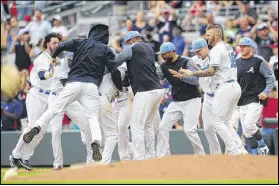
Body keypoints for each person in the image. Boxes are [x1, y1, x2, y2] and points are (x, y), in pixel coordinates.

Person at [22, 24, 116, 162]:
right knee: (92, 118)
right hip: (91, 86)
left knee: (54, 109)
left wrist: (53, 57)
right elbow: (113, 67)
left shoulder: (80, 42)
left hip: (73, 83)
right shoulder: (105, 49)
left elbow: (62, 46)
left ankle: (37, 126)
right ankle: (96, 141)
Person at [175, 25, 243, 155]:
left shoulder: (215, 52)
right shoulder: (225, 47)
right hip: (218, 91)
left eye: (208, 36)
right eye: (194, 51)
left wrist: (192, 74)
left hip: (223, 89)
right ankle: (232, 150)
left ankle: (234, 150)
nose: (196, 53)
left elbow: (211, 71)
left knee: (218, 122)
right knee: (213, 126)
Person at [9, 33, 62, 171]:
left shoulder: (58, 59)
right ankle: (15, 155)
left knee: (42, 130)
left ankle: (25, 156)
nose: (56, 45)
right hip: (37, 95)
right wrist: (51, 71)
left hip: (49, 97)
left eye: (58, 42)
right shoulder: (42, 58)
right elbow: (42, 76)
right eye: (53, 43)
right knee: (33, 126)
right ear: (47, 44)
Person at [113, 31, 165, 160]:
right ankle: (151, 155)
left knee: (137, 127)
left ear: (132, 40)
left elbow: (117, 60)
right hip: (157, 91)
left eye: (128, 42)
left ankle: (139, 157)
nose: (127, 44)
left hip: (144, 92)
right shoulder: (149, 48)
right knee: (148, 125)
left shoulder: (132, 48)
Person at [189, 38, 247, 154]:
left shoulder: (216, 55)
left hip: (220, 94)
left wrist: (200, 72)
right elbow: (191, 76)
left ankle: (238, 148)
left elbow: (214, 72)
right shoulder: (194, 60)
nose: (197, 53)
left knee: (222, 122)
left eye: (199, 50)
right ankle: (216, 154)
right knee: (207, 128)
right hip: (207, 96)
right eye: (195, 51)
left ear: (206, 47)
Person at [156, 42, 205, 157]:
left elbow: (195, 81)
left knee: (189, 130)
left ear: (172, 52)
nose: (162, 56)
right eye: (161, 54)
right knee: (163, 127)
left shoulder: (187, 61)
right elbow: (157, 79)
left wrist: (182, 77)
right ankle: (164, 156)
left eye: (165, 54)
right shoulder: (163, 66)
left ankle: (200, 155)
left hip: (192, 99)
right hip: (177, 101)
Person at [47, 52, 94, 170]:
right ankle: (58, 163)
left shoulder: (79, 64)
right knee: (56, 131)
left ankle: (91, 160)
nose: (71, 61)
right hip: (57, 98)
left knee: (87, 126)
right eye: (69, 59)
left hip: (71, 100)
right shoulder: (61, 65)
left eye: (73, 59)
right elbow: (68, 86)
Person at [236, 37, 275, 155]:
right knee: (246, 131)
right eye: (240, 46)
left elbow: (270, 77)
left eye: (244, 46)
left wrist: (266, 92)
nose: (241, 48)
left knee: (249, 124)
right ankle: (255, 154)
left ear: (250, 47)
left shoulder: (258, 61)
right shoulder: (236, 62)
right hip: (242, 100)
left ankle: (262, 145)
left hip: (257, 98)